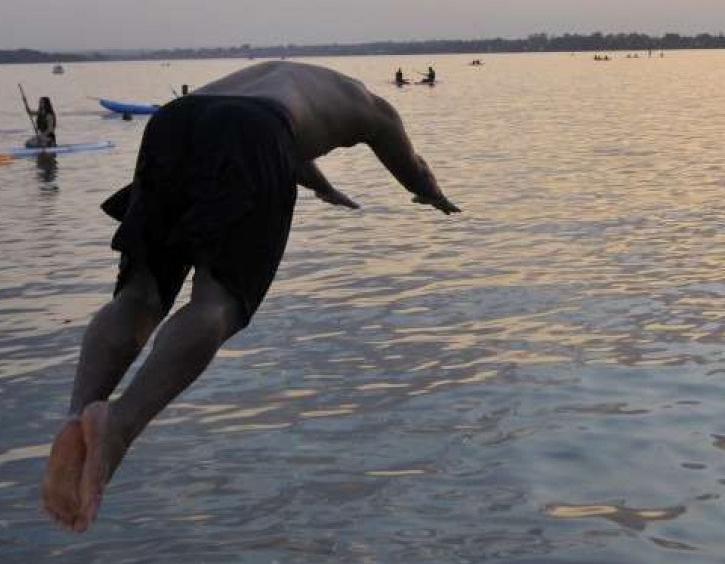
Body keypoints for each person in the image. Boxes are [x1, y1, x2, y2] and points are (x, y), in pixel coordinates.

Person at [40, 61, 459, 533]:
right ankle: (118, 429)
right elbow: (410, 167)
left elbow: (267, 140)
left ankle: (77, 416)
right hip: (255, 129)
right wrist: (434, 196)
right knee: (217, 303)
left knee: (140, 296)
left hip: (176, 121)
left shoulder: (280, 79)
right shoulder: (373, 108)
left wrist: (322, 186)